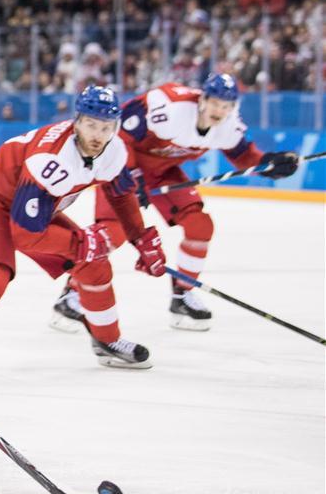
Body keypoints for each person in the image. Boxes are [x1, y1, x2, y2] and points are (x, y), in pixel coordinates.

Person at [0, 86, 167, 380]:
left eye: (106, 127)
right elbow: (25, 234)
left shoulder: (114, 149)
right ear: (77, 121)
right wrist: (82, 244)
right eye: (91, 124)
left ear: (115, 126)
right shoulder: (51, 159)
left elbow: (120, 196)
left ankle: (107, 341)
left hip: (30, 207)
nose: (97, 134)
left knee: (94, 266)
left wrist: (140, 237)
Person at [49, 74, 298, 332]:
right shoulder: (170, 106)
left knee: (200, 225)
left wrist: (270, 163)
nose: (220, 111)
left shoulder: (228, 125)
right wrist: (131, 176)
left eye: (226, 106)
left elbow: (245, 155)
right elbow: (120, 135)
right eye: (216, 103)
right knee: (114, 233)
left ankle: (183, 296)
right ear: (203, 99)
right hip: (121, 168)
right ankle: (72, 295)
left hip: (162, 173)